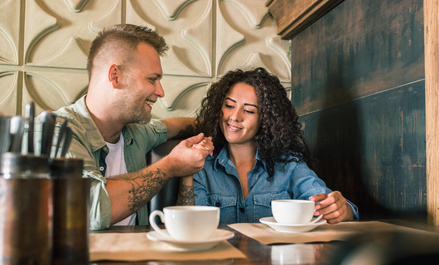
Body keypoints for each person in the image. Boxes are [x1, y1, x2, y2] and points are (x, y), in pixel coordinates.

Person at [35, 24, 213, 230]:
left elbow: (176, 126)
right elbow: (93, 207)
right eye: (152, 79)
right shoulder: (55, 133)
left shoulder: (136, 133)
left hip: (138, 258)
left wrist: (223, 126)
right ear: (115, 76)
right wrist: (170, 166)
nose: (161, 92)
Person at [177, 67, 359, 224]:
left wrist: (341, 209)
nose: (235, 116)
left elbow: (330, 203)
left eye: (248, 110)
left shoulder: (289, 166)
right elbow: (188, 224)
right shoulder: (203, 167)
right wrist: (187, 172)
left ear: (266, 119)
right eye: (230, 105)